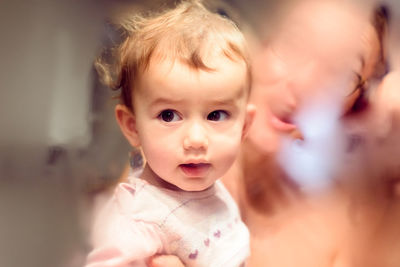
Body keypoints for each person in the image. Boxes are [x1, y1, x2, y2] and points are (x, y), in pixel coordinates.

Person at [150, 1, 400, 266]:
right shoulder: (163, 167)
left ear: (354, 109)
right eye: (293, 43)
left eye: (342, 73)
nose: (303, 84)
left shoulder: (339, 231)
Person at [85, 1, 255, 266]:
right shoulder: (138, 222)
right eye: (169, 115)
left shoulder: (211, 185)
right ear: (132, 127)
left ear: (244, 126)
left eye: (216, 115)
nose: (197, 140)